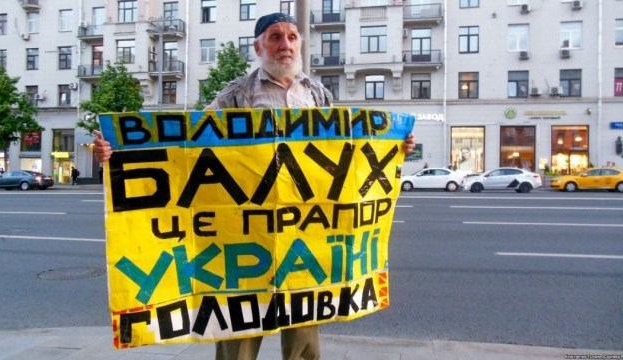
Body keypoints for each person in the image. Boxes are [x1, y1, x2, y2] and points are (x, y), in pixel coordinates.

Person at [93, 12, 415, 360]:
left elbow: (344, 152)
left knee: (304, 331)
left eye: (292, 37)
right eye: (276, 37)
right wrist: (119, 151)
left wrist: (393, 148)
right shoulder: (237, 94)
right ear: (259, 45)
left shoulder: (317, 93)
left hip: (303, 233)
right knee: (238, 335)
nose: (285, 45)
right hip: (244, 237)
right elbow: (187, 148)